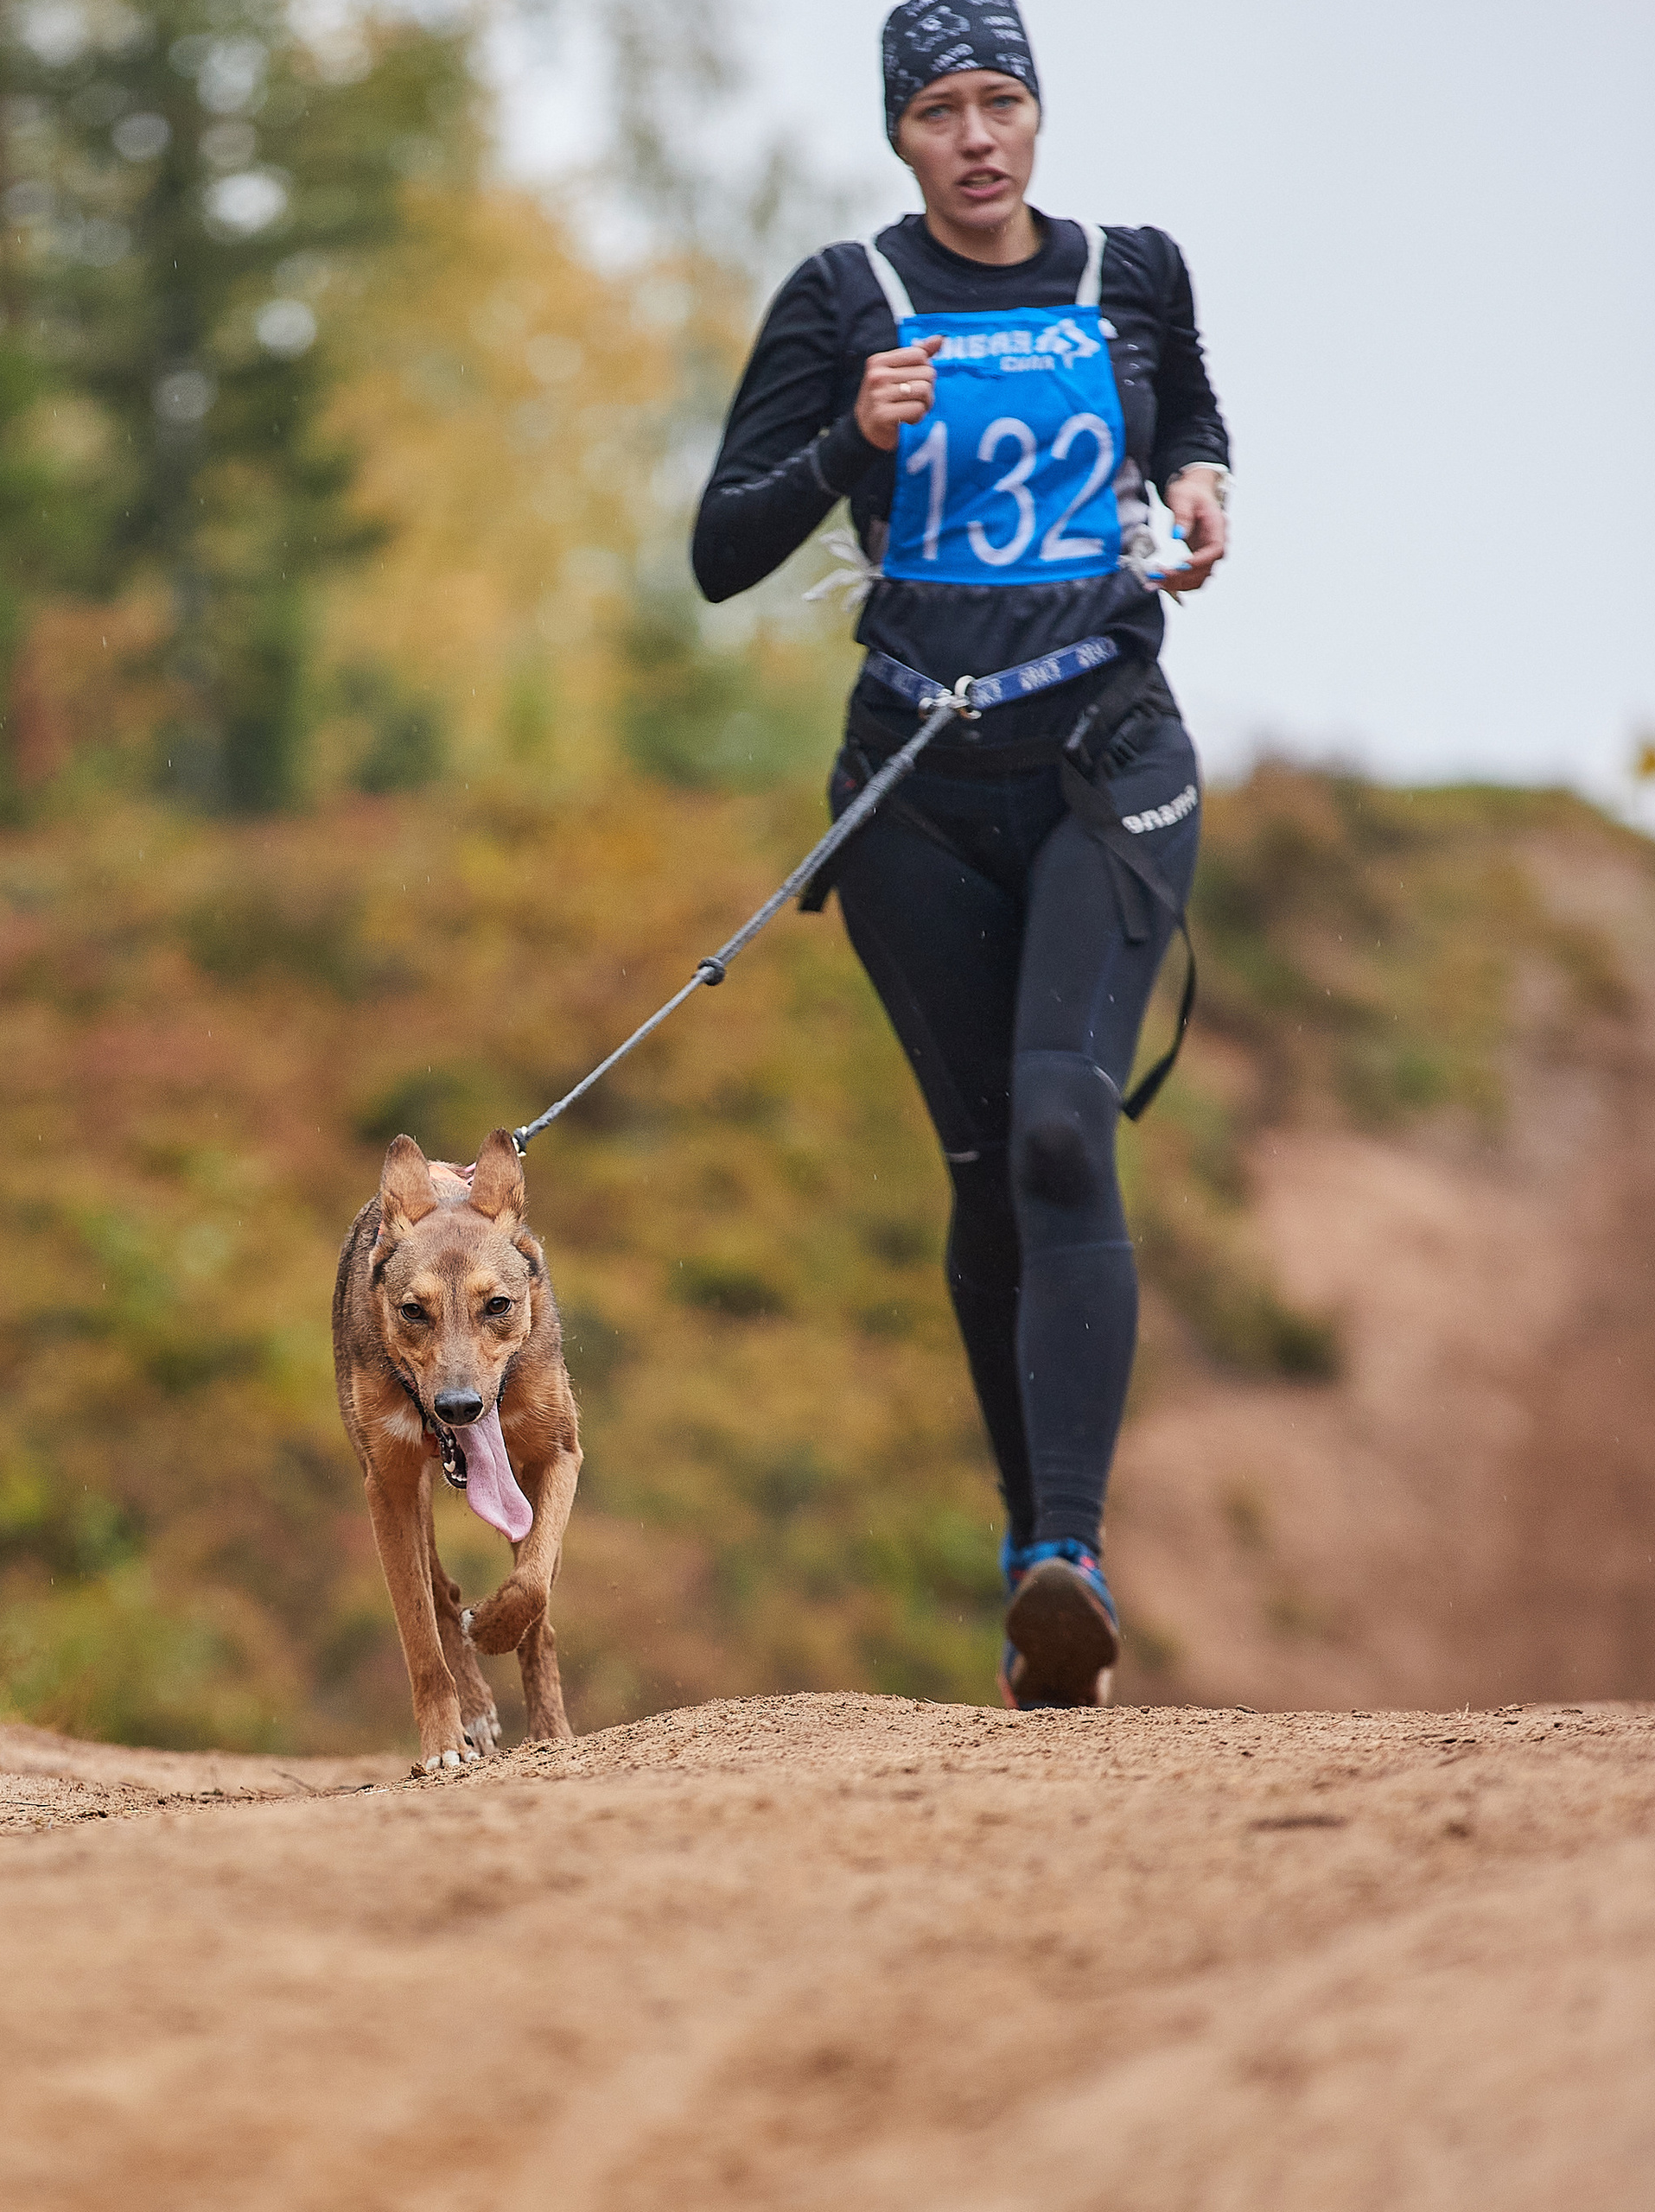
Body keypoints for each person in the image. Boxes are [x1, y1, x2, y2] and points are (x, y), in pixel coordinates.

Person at [693, 2, 1231, 1707]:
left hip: (1102, 758)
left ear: (1038, 116)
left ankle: (1067, 1544)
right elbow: (719, 550)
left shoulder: (1128, 269)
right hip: (917, 784)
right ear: (899, 137)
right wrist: (852, 437)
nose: (977, 135)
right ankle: (1035, 1572)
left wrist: (1204, 486)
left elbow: (1188, 420)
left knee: (1069, 1126)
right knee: (993, 1162)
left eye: (1002, 100)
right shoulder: (846, 300)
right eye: (940, 110)